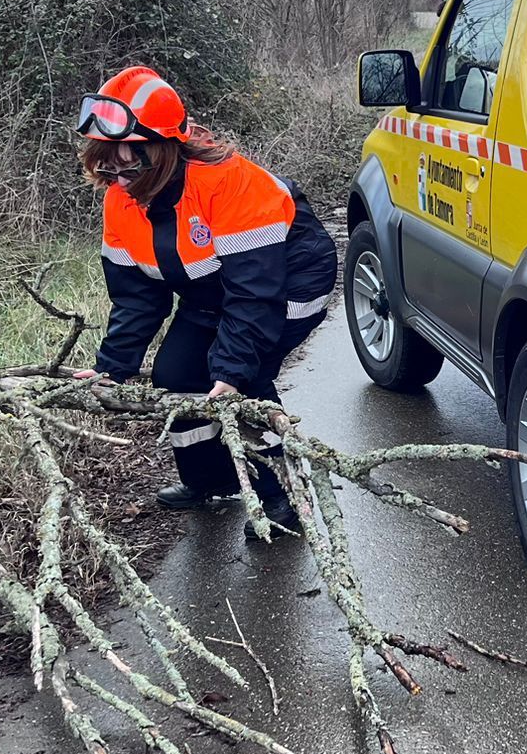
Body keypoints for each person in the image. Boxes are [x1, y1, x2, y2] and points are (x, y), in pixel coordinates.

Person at [75, 65, 338, 535]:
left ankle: (281, 500)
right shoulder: (121, 200)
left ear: (161, 148)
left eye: (126, 158)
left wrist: (232, 372)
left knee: (244, 381)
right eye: (105, 161)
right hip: (213, 291)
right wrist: (111, 366)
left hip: (289, 285)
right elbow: (137, 296)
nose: (116, 174)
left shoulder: (228, 184)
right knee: (177, 375)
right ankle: (211, 481)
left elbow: (256, 294)